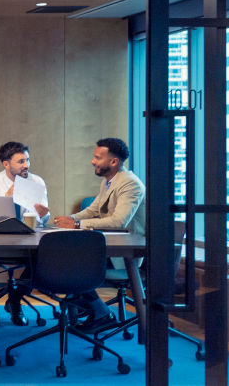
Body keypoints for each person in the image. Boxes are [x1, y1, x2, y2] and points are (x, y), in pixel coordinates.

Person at [54, 137, 146, 333]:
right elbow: (93, 210)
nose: (92, 161)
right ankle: (81, 302)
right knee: (67, 258)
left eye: (97, 157)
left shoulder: (130, 184)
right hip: (109, 245)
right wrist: (68, 219)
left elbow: (118, 221)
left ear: (113, 162)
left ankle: (100, 312)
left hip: (126, 252)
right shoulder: (109, 182)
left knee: (73, 265)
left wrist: (76, 225)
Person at [0, 141, 50, 329]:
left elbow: (43, 220)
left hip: (27, 240)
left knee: (43, 258)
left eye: (27, 160)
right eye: (21, 161)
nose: (26, 165)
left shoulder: (36, 182)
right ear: (6, 164)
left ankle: (15, 301)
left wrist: (44, 214)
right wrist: (11, 195)